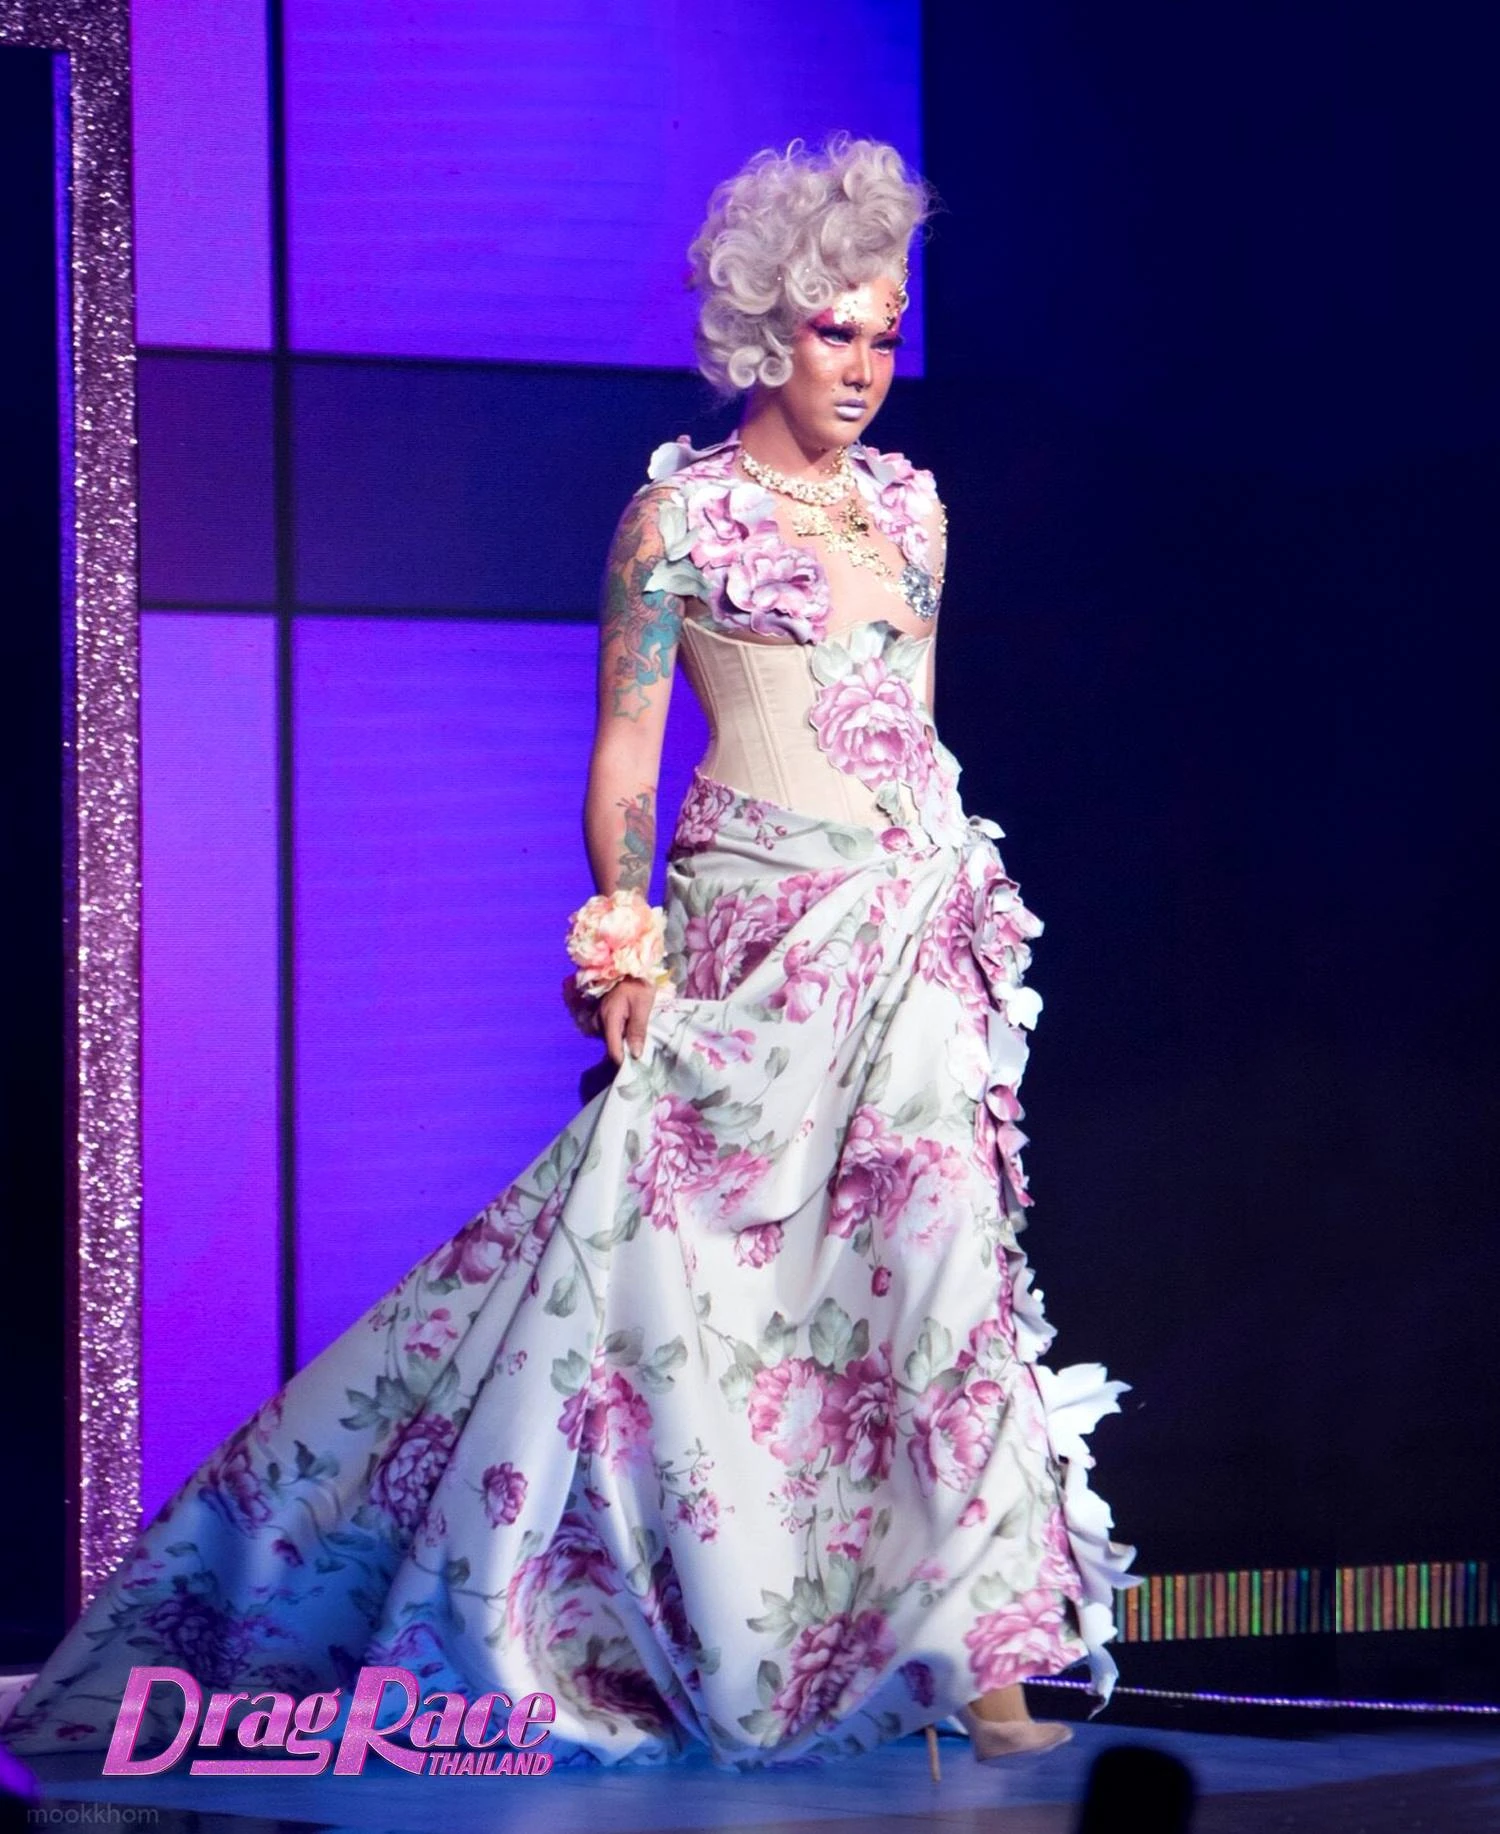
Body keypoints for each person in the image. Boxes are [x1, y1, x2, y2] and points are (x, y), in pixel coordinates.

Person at [7, 134, 1134, 1772]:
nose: (864, 366)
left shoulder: (912, 511)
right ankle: (568, 1603)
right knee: (686, 1285)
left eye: (885, 333)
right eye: (832, 330)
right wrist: (626, 936)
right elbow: (624, 753)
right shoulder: (676, 518)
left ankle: (983, 1660)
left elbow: (914, 725)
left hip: (909, 928)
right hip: (754, 935)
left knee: (943, 1259)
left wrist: (945, 886)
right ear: (764, 328)